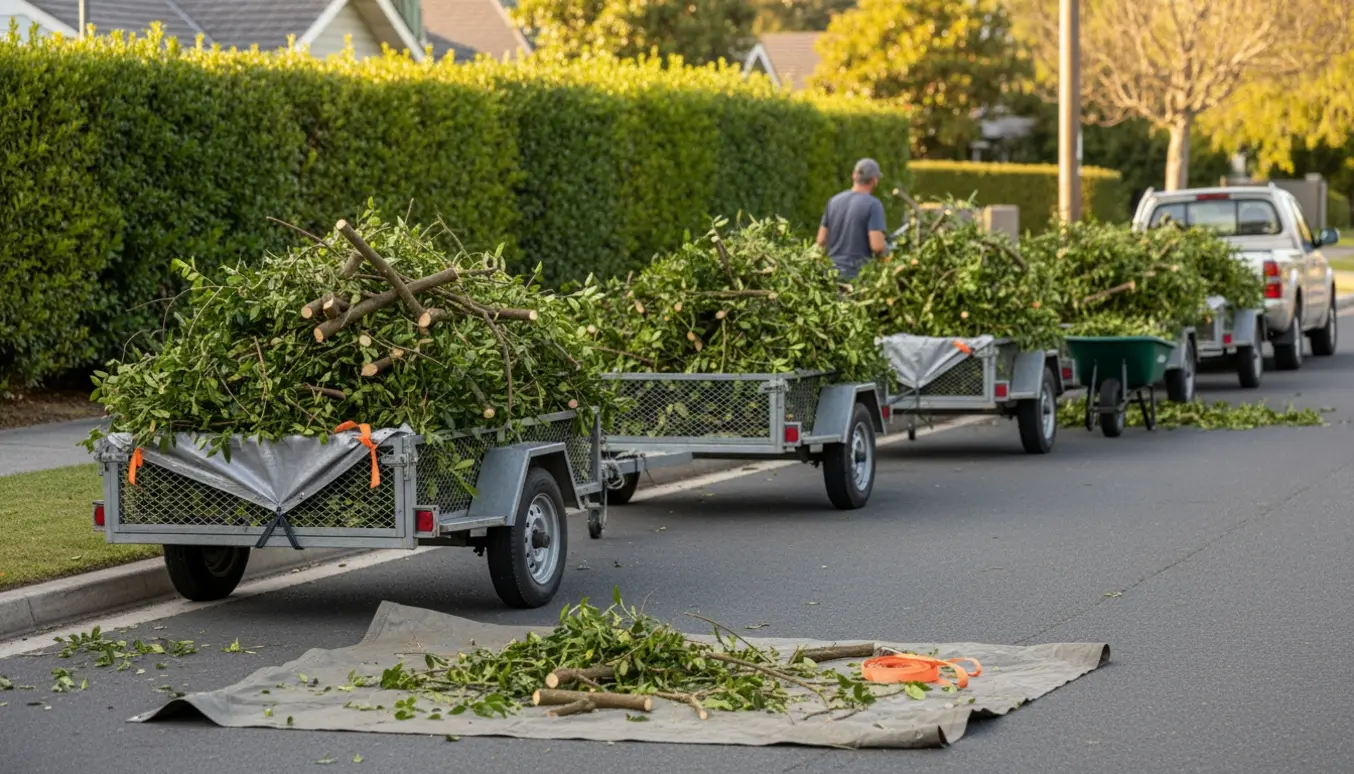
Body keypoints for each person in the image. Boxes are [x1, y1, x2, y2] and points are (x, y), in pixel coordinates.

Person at [817, 158, 888, 281]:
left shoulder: (833, 201)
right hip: (856, 277)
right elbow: (877, 246)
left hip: (831, 274)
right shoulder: (873, 205)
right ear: (874, 180)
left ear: (853, 176)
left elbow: (821, 240)